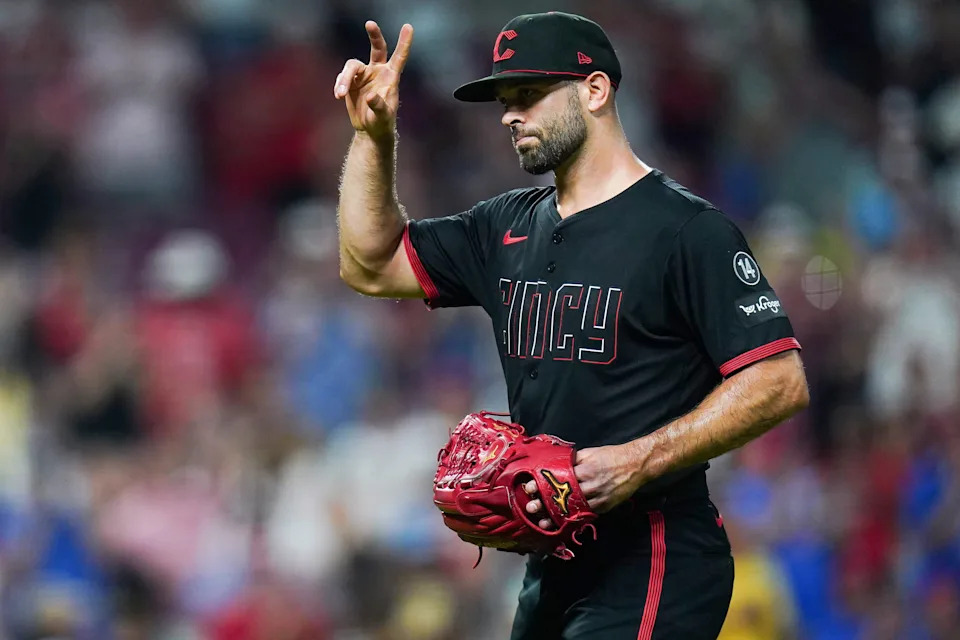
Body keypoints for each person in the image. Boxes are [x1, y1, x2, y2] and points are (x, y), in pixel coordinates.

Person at [334, 11, 809, 640]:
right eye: (505, 100)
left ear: (595, 90)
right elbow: (369, 263)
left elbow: (780, 380)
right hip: (553, 563)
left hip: (654, 551)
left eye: (528, 95)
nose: (509, 114)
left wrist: (640, 459)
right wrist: (375, 137)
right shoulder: (504, 226)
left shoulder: (685, 231)